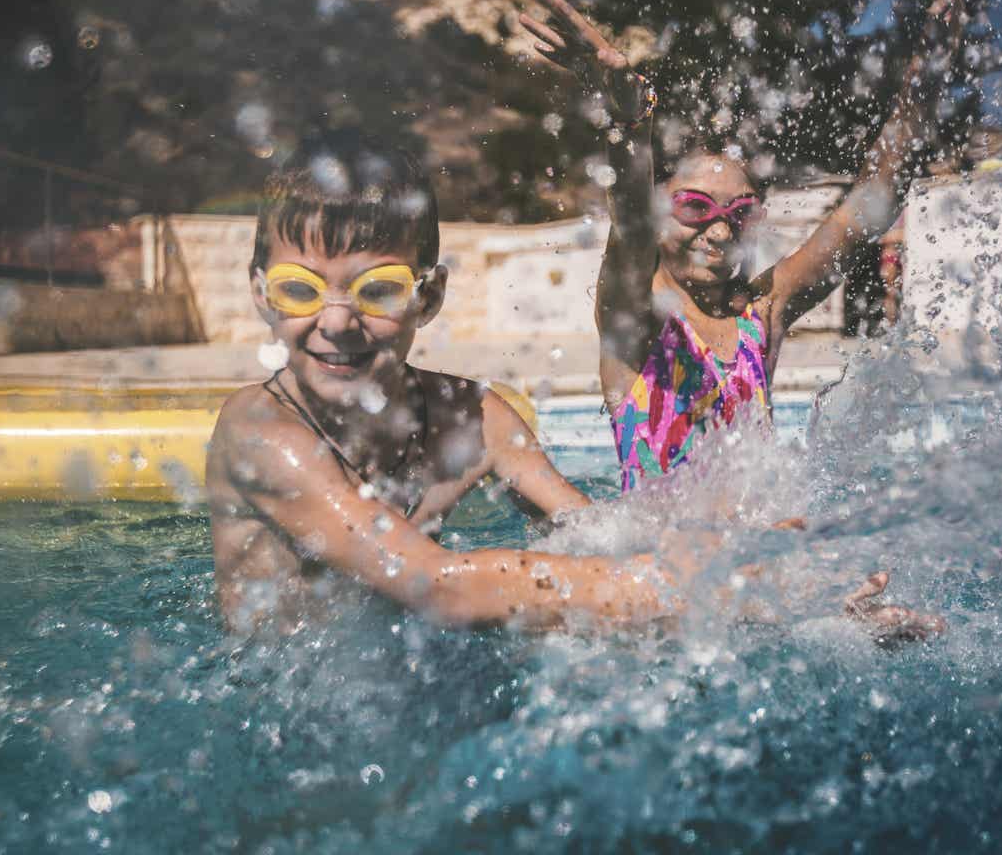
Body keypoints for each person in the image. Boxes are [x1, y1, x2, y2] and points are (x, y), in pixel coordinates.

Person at [205, 135, 942, 640]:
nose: (337, 321)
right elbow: (440, 586)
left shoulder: (478, 418)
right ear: (261, 294)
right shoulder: (261, 433)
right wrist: (715, 593)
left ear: (427, 298)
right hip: (286, 728)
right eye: (300, 289)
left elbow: (599, 536)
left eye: (379, 289)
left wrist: (774, 585)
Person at [519, 0, 966, 490]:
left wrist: (929, 76)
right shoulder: (634, 314)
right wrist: (633, 120)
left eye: (740, 212)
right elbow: (630, 227)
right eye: (694, 206)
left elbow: (871, 205)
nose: (718, 228)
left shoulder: (763, 311)